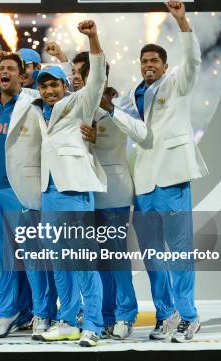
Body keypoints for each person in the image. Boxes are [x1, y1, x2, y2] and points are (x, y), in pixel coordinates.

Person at [122, 0, 206, 343]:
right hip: (143, 182)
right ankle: (167, 314)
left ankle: (190, 316)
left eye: (154, 61)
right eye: (143, 61)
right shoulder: (134, 93)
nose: (148, 65)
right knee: (153, 255)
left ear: (165, 65)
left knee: (180, 251)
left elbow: (194, 61)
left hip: (171, 178)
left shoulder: (177, 83)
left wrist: (182, 22)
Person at [34, 20, 107, 347]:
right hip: (49, 193)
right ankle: (67, 320)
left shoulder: (80, 104)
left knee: (82, 262)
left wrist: (92, 38)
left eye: (55, 85)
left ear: (66, 86)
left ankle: (93, 323)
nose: (49, 90)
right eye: (44, 86)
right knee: (59, 263)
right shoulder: (39, 112)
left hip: (74, 192)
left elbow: (97, 79)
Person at [0, 52, 54, 339]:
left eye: (10, 68)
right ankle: (6, 314)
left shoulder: (33, 105)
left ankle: (42, 314)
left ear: (22, 77)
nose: (3, 72)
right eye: (0, 69)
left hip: (19, 191)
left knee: (32, 256)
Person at [75, 53, 146, 340]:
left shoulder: (119, 106)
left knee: (116, 257)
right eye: (76, 73)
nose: (77, 78)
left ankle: (126, 313)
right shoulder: (78, 106)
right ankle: (104, 314)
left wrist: (110, 111)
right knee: (97, 259)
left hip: (114, 192)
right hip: (87, 193)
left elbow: (138, 132)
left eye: (84, 73)